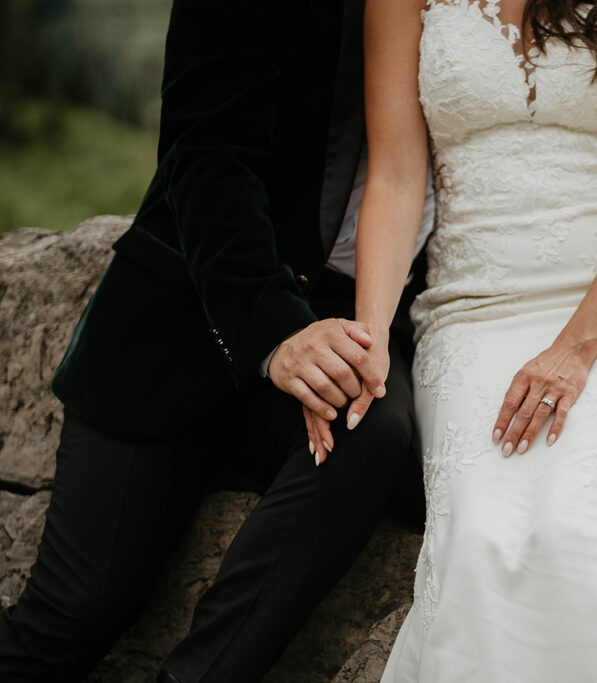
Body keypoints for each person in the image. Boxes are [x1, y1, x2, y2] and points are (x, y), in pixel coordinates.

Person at [329, 0, 597, 679]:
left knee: (574, 528)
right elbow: (395, 174)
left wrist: (575, 348)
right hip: (473, 309)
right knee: (478, 539)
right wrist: (372, 332)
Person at [0, 1, 434, 681]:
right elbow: (204, 157)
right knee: (71, 614)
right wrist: (277, 331)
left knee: (372, 423)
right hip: (191, 317)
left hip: (367, 313)